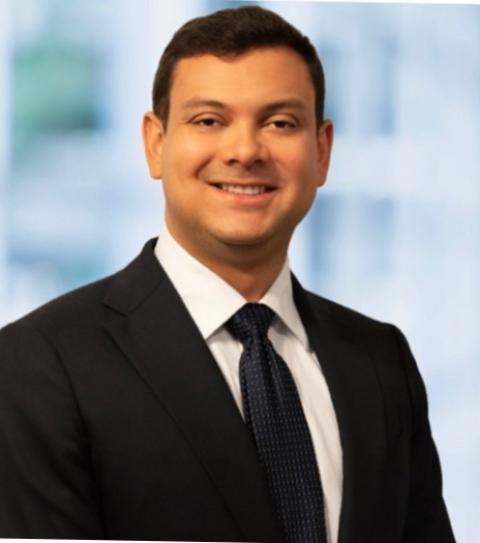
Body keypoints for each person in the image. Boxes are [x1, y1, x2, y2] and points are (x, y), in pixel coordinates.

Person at [0, 6, 455, 543]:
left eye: (280, 123)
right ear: (155, 143)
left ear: (321, 150)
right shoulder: (40, 363)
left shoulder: (380, 360)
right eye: (209, 121)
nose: (245, 152)